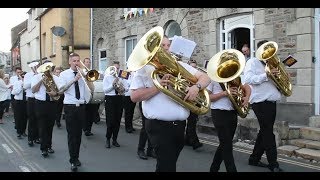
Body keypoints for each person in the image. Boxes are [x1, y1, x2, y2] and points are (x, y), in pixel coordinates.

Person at [130, 35, 211, 172]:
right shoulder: (143, 69)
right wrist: (158, 86)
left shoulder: (180, 65)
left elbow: (206, 77)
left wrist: (196, 88)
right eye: (162, 46)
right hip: (159, 126)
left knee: (167, 164)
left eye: (168, 45)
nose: (166, 49)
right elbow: (134, 96)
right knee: (167, 166)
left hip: (179, 126)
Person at [243, 40, 283, 172]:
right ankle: (273, 163)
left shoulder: (271, 64)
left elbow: (275, 83)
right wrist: (266, 75)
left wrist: (281, 77)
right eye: (265, 50)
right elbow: (248, 79)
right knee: (268, 133)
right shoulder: (252, 62)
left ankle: (254, 159)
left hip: (271, 102)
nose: (268, 54)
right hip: (260, 102)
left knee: (265, 131)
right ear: (259, 50)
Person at [57, 53, 94, 172]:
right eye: (74, 61)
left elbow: (92, 89)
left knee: (78, 135)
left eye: (78, 61)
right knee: (72, 135)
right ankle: (72, 160)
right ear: (69, 62)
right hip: (70, 107)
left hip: (81, 107)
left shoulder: (83, 73)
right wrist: (75, 79)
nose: (76, 63)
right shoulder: (64, 74)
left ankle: (76, 157)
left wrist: (87, 78)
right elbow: (62, 90)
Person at [206, 76, 251, 172]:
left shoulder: (234, 77)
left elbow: (247, 87)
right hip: (219, 113)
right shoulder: (213, 78)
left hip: (232, 113)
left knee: (225, 144)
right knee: (227, 145)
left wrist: (246, 98)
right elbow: (207, 97)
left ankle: (214, 169)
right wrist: (225, 93)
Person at [31, 60, 59, 157]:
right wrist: (41, 81)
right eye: (46, 66)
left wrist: (54, 91)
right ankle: (44, 148)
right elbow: (33, 90)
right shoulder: (36, 77)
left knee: (50, 126)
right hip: (40, 104)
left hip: (51, 103)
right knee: (42, 126)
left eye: (49, 66)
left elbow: (59, 91)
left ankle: (49, 145)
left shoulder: (55, 77)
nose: (48, 69)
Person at [103, 61, 124, 148]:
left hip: (119, 98)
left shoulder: (121, 77)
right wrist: (113, 84)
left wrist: (123, 87)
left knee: (117, 120)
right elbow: (105, 90)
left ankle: (115, 139)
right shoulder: (107, 77)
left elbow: (125, 89)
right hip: (110, 99)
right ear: (111, 68)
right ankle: (108, 139)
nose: (116, 70)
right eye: (115, 68)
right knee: (110, 121)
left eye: (118, 68)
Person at [185, 59, 203, 150]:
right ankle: (194, 142)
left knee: (193, 121)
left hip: (197, 102)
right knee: (191, 122)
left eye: (195, 67)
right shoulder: (185, 77)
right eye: (191, 67)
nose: (193, 69)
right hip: (189, 102)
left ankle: (187, 139)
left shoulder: (198, 78)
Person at [24, 60, 40, 146]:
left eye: (37, 66)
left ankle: (37, 137)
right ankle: (30, 138)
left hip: (39, 99)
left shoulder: (40, 73)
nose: (35, 68)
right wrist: (34, 79)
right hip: (31, 99)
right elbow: (25, 86)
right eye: (34, 66)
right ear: (31, 67)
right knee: (31, 119)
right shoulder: (28, 75)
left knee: (39, 119)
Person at [81, 58, 99, 136]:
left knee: (92, 113)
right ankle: (85, 129)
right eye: (86, 62)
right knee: (86, 113)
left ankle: (89, 129)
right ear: (84, 63)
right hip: (85, 95)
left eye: (89, 62)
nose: (88, 63)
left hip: (93, 94)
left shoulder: (92, 71)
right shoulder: (82, 71)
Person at [12, 71, 28, 138]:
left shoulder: (28, 84)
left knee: (25, 118)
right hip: (18, 102)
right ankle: (19, 132)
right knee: (18, 117)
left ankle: (23, 131)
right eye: (22, 76)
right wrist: (21, 86)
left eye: (25, 77)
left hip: (26, 102)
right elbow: (14, 92)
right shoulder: (17, 83)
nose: (24, 78)